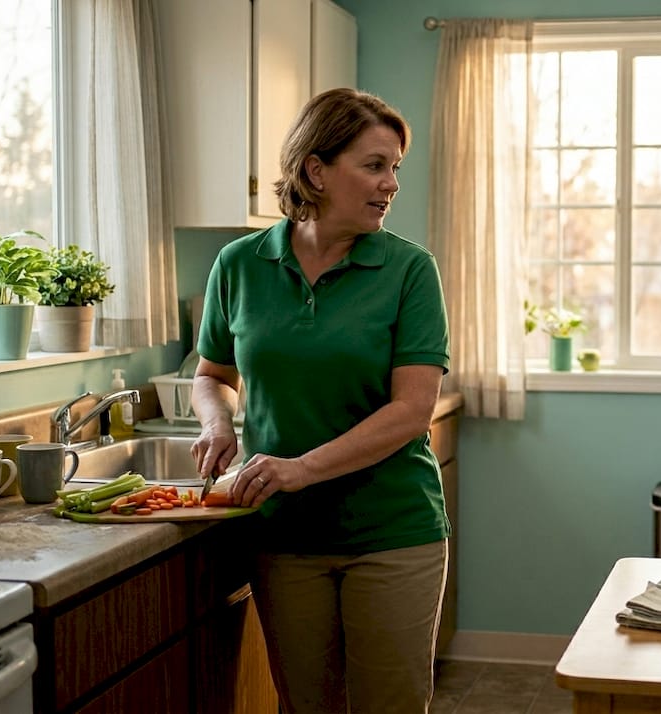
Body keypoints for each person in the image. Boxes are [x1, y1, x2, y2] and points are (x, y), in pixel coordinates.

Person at [189, 87, 450, 714]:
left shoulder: (410, 270)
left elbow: (411, 411)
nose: (390, 184)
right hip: (285, 538)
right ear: (316, 169)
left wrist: (299, 469)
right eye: (374, 165)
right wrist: (218, 421)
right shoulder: (239, 264)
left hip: (392, 532)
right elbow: (211, 373)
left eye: (395, 168)